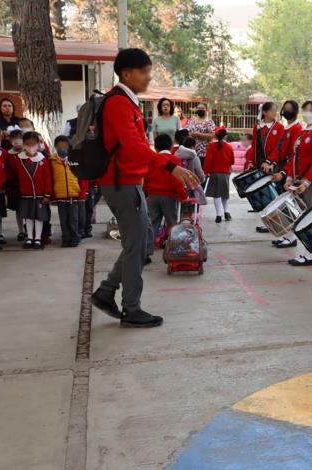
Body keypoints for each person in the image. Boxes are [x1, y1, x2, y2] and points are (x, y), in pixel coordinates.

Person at [90, 48, 199, 329]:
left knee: (138, 243)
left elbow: (137, 147)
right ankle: (131, 308)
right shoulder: (118, 104)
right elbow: (133, 146)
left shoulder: (127, 101)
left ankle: (106, 292)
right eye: (144, 72)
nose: (149, 77)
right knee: (137, 245)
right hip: (121, 182)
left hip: (127, 181)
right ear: (127, 73)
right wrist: (169, 166)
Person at [284, 100, 312, 266]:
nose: (307, 113)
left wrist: (307, 182)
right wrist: (289, 177)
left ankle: (310, 255)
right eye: (305, 110)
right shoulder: (303, 132)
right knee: (301, 218)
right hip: (299, 181)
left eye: (311, 110)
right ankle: (305, 252)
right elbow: (294, 157)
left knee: (311, 219)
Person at [270, 100, 304, 247]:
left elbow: (293, 155)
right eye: (284, 108)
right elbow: (279, 150)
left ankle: (291, 237)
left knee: (290, 205)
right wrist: (271, 162)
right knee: (285, 204)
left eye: (289, 109)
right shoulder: (287, 128)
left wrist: (284, 173)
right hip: (283, 169)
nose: (285, 111)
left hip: (290, 171)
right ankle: (288, 235)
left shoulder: (297, 129)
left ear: (296, 112)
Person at [146, 134, 187, 252]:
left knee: (152, 224)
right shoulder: (175, 160)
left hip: (152, 195)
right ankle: (174, 250)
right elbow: (176, 180)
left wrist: (146, 192)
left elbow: (146, 177)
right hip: (169, 196)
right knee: (172, 224)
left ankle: (147, 252)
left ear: (156, 148)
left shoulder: (153, 160)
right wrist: (183, 196)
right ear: (170, 147)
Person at [248, 102, 285, 232]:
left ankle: (275, 223)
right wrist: (251, 161)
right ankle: (267, 221)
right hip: (260, 165)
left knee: (274, 194)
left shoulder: (279, 127)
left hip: (272, 165)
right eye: (272, 111)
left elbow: (279, 148)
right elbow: (254, 145)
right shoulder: (258, 126)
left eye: (276, 111)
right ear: (264, 112)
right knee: (264, 195)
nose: (275, 113)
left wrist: (270, 161)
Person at [13, 131, 52, 249]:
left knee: (39, 217)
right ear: (23, 144)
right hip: (26, 195)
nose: (31, 146)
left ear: (38, 144)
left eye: (33, 143)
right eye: (27, 144)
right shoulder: (19, 159)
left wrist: (47, 194)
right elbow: (16, 177)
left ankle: (38, 239)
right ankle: (29, 238)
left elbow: (48, 178)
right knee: (28, 217)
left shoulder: (43, 160)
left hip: (40, 195)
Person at [50, 135, 88, 247]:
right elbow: (50, 179)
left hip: (74, 195)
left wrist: (82, 193)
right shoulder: (51, 161)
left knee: (74, 219)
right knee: (63, 220)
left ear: (69, 146)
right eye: (59, 146)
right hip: (60, 196)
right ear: (56, 147)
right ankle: (65, 238)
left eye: (65, 146)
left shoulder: (75, 160)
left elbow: (82, 177)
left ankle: (75, 238)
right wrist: (52, 195)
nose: (62, 148)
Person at [204, 127, 235, 223]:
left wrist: (206, 171)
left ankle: (218, 215)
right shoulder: (229, 147)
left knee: (216, 195)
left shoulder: (211, 146)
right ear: (225, 136)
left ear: (216, 136)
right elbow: (232, 161)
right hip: (225, 173)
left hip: (214, 173)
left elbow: (208, 160)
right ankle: (227, 212)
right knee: (224, 194)